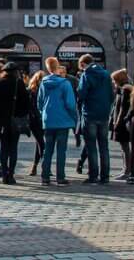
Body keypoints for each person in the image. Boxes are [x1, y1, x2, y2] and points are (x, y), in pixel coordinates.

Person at [37, 57, 78, 186]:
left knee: (47, 149)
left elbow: (39, 102)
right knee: (61, 150)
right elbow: (70, 104)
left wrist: (44, 114)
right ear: (57, 67)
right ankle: (60, 177)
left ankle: (45, 177)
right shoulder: (64, 83)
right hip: (62, 121)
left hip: (48, 120)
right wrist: (74, 118)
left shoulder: (43, 82)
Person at [0, 62, 30, 185]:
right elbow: (26, 103)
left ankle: (4, 175)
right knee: (13, 149)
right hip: (15, 121)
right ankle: (11, 174)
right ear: (16, 72)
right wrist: (19, 114)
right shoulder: (19, 83)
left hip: (1, 120)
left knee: (3, 148)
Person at [77, 54, 113, 184]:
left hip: (90, 114)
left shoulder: (86, 75)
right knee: (104, 146)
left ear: (82, 64)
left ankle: (93, 175)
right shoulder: (106, 74)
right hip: (104, 114)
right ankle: (105, 176)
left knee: (91, 146)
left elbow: (81, 94)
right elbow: (111, 94)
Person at [109, 69, 133, 181]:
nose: (114, 83)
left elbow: (123, 109)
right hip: (121, 121)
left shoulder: (125, 90)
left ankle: (127, 171)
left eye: (114, 80)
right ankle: (125, 169)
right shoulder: (122, 89)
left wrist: (117, 122)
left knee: (125, 148)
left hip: (123, 123)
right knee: (124, 148)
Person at [27, 70, 46, 177]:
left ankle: (35, 167)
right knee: (41, 143)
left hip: (42, 120)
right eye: (40, 79)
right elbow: (29, 106)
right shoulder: (31, 91)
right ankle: (44, 166)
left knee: (39, 143)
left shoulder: (44, 90)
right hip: (34, 121)